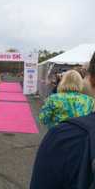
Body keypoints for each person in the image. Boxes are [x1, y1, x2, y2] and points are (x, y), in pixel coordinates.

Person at [30, 53, 95, 189]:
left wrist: (55, 124)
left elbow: (43, 118)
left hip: (58, 142)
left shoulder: (54, 99)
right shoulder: (89, 101)